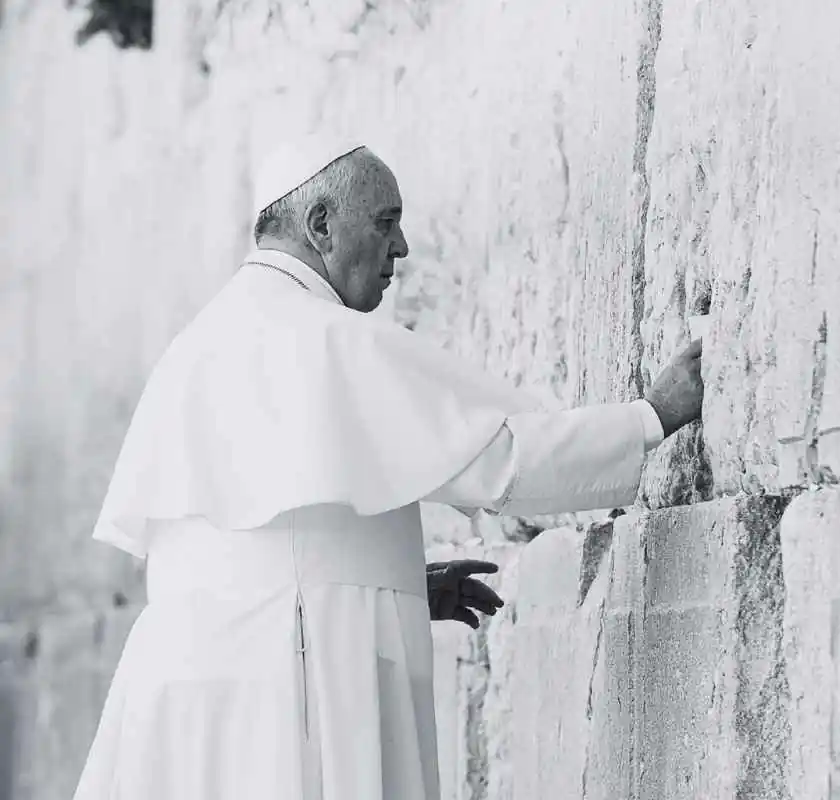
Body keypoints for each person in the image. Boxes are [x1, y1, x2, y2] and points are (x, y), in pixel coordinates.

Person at [71, 135, 704, 800]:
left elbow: (257, 547)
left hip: (183, 701)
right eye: (385, 222)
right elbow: (499, 461)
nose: (400, 247)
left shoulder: (194, 345)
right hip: (294, 686)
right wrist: (650, 417)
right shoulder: (327, 337)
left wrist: (394, 578)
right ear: (321, 226)